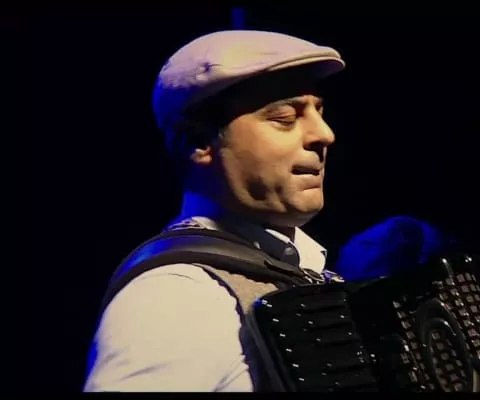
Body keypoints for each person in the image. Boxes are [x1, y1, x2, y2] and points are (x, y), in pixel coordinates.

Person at [83, 30, 346, 392]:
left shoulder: (305, 269)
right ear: (198, 142)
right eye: (286, 117)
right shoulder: (173, 298)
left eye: (319, 111)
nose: (325, 134)